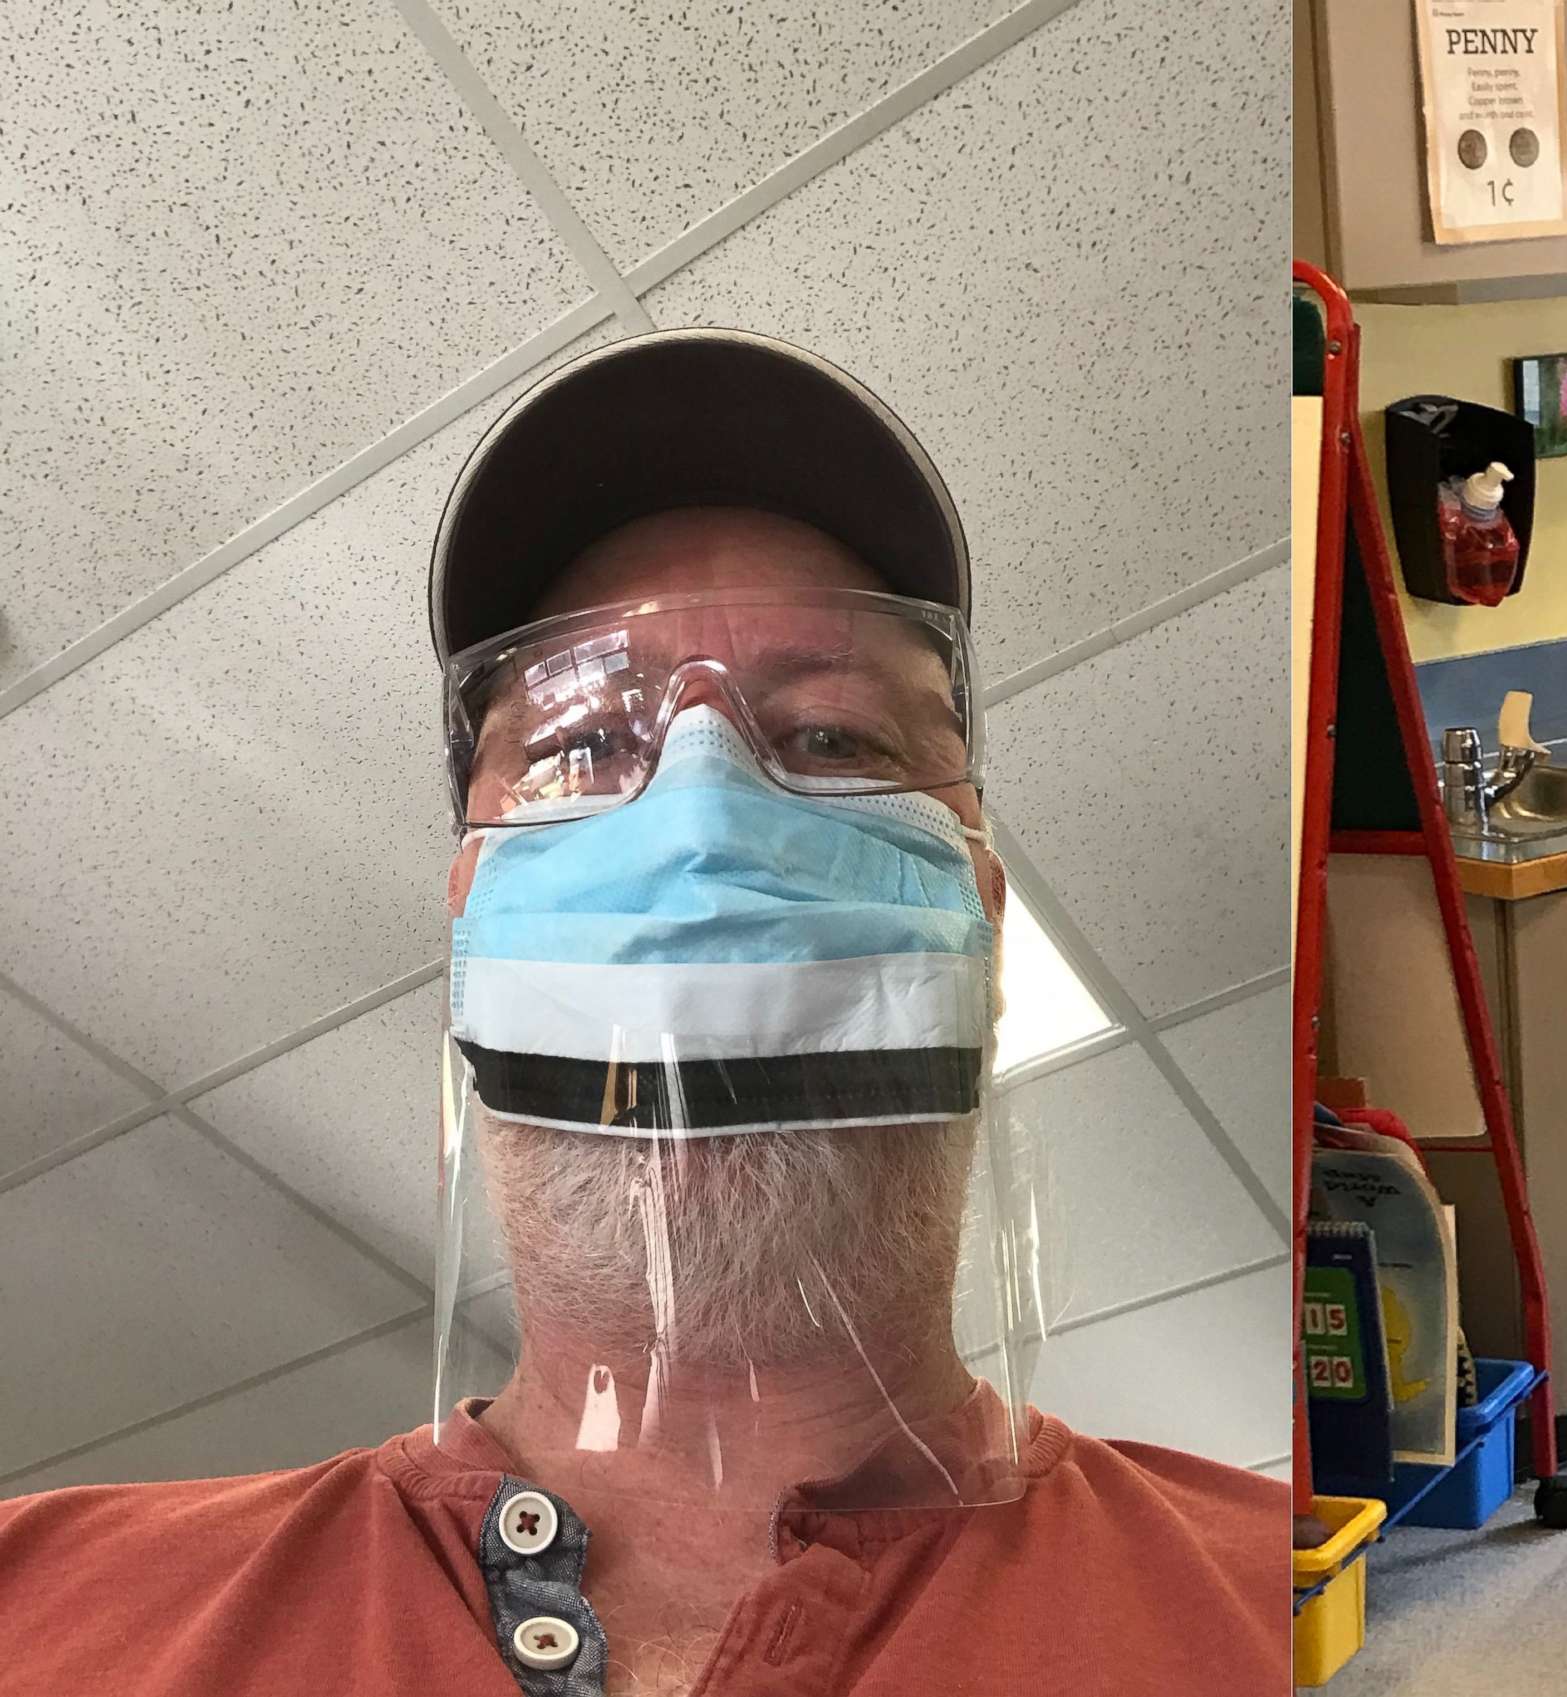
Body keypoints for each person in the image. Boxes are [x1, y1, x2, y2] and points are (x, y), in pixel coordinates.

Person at [0, 329, 1284, 1694]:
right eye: (580, 746)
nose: (702, 823)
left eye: (834, 736)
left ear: (980, 923)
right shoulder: (45, 1611)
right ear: (470, 932)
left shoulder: (1278, 1605)